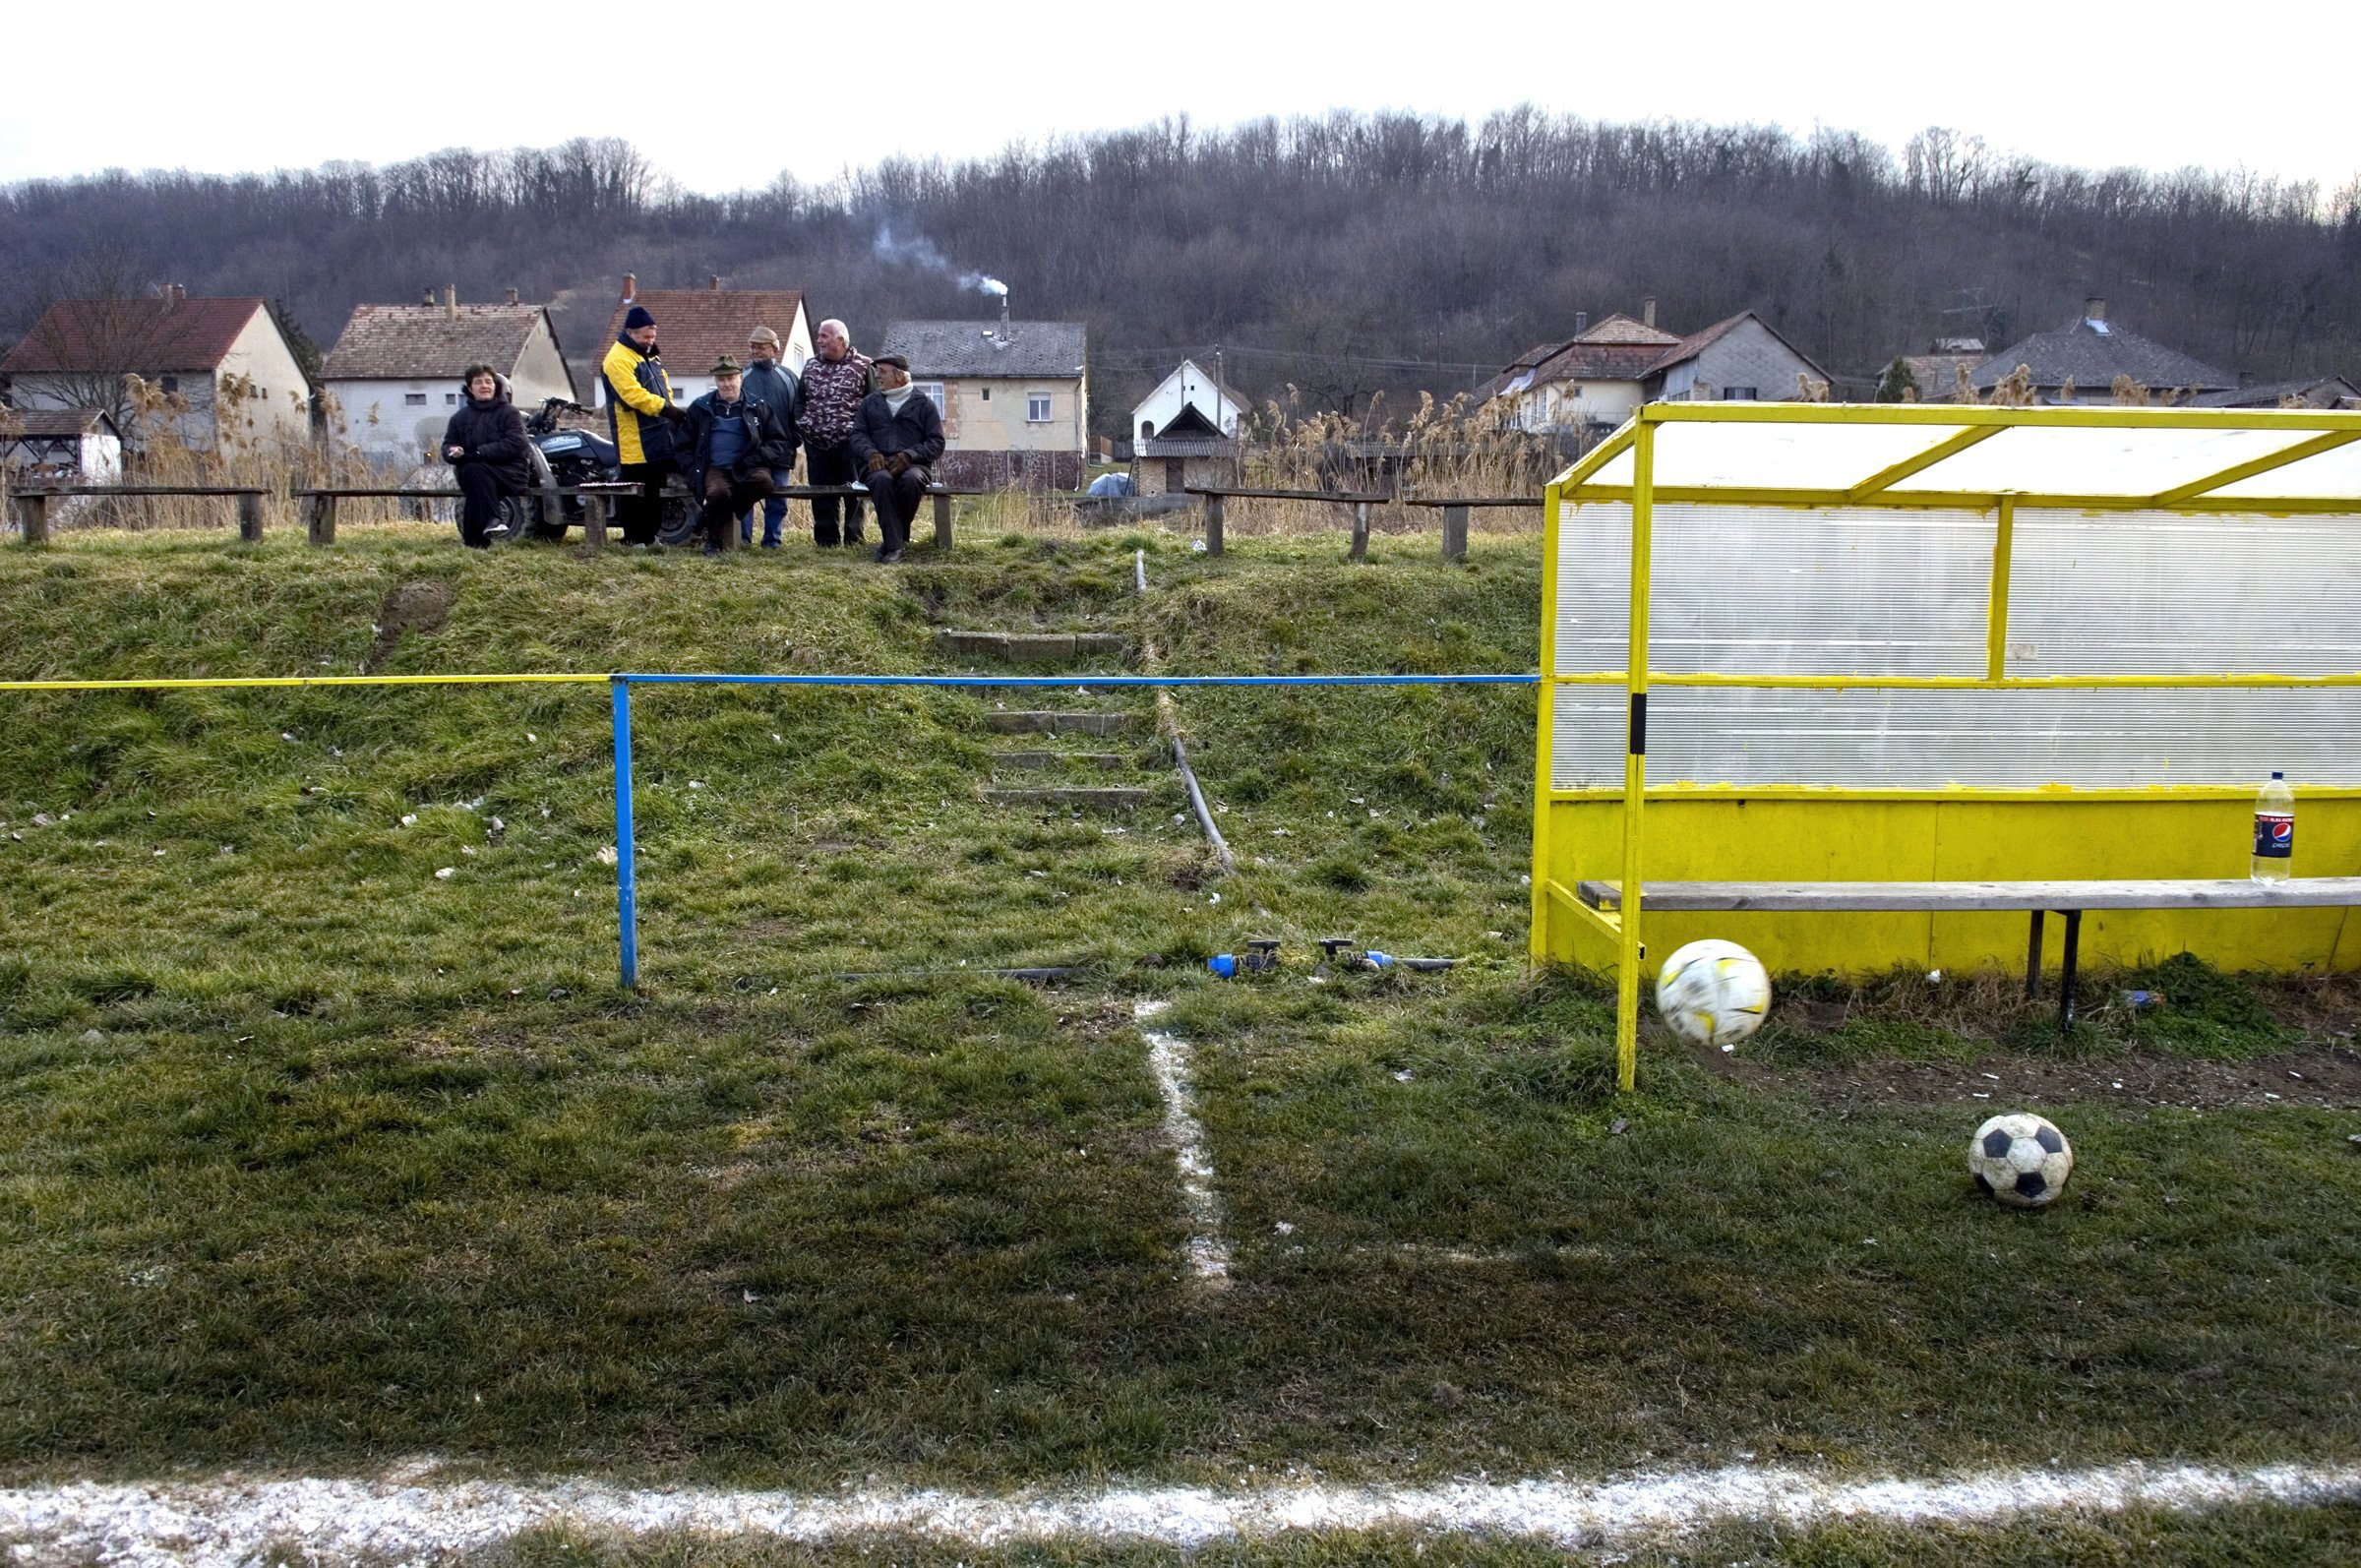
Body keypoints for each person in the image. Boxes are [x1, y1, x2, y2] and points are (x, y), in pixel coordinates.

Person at [680, 356, 798, 557]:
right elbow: (683, 445)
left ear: (740, 378)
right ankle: (713, 543)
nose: (726, 384)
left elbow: (778, 442)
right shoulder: (700, 408)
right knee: (718, 494)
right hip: (715, 467)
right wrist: (693, 471)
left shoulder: (758, 406)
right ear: (716, 382)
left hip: (749, 465)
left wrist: (756, 458)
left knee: (763, 483)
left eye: (731, 378)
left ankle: (706, 519)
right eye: (721, 379)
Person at [601, 303, 688, 545]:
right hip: (634, 438)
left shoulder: (649, 356)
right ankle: (635, 538)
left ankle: (651, 537)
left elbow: (665, 387)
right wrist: (667, 409)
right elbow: (632, 395)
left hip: (659, 435)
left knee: (655, 491)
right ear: (631, 332)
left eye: (653, 335)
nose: (651, 340)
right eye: (646, 336)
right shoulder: (616, 359)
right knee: (636, 492)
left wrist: (667, 408)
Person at [846, 352, 942, 565]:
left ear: (899, 375)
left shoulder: (924, 405)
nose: (877, 376)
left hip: (914, 465)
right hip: (876, 465)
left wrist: (910, 455)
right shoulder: (870, 403)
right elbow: (857, 435)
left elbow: (936, 442)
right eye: (876, 371)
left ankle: (892, 542)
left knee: (911, 480)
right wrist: (870, 452)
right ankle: (896, 545)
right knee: (881, 480)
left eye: (882, 372)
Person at [797, 317, 875, 548]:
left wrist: (861, 435)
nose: (819, 340)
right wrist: (803, 422)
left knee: (854, 493)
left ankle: (854, 540)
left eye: (824, 336)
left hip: (851, 445)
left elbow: (873, 403)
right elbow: (799, 400)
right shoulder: (810, 366)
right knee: (821, 494)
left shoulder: (863, 367)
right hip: (816, 444)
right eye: (819, 335)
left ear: (841, 340)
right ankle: (826, 541)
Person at [441, 364, 530, 547]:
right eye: (478, 382)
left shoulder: (510, 413)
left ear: (496, 386)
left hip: (510, 472)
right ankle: (490, 525)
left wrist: (479, 453)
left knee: (474, 471)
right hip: (474, 473)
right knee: (474, 473)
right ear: (470, 388)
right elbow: (447, 445)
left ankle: (475, 541)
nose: (485, 386)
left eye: (488, 381)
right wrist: (452, 452)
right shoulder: (459, 418)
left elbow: (517, 443)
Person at [739, 327, 803, 547]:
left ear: (774, 349)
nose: (755, 351)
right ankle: (743, 540)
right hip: (750, 450)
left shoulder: (788, 377)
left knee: (778, 498)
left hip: (782, 449)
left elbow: (798, 411)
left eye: (761, 347)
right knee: (746, 496)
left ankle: (772, 541)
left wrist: (796, 437)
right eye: (752, 347)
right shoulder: (742, 377)